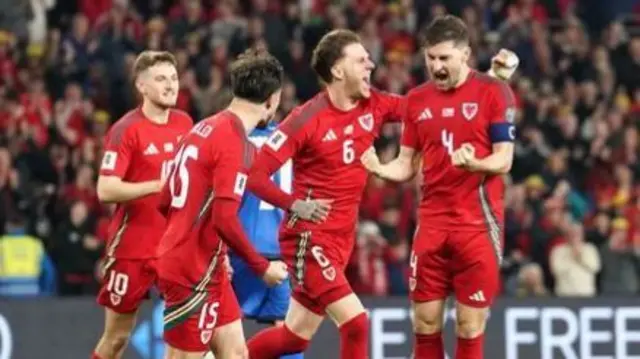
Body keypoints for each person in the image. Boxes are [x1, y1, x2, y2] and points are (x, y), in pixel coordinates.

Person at [245, 28, 517, 359]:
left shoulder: (374, 104)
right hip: (308, 240)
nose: (371, 65)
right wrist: (296, 204)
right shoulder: (306, 119)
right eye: (361, 60)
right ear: (337, 70)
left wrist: (488, 81)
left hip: (341, 240)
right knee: (357, 323)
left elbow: (429, 109)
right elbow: (256, 175)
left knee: (293, 338)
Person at [361, 15, 518, 359]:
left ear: (465, 55)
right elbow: (407, 163)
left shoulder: (495, 92)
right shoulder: (417, 99)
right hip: (431, 225)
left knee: (469, 326)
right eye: (431, 58)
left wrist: (476, 163)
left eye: (444, 58)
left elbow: (504, 159)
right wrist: (380, 169)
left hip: (477, 227)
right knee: (425, 324)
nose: (436, 66)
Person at [155, 49, 289, 359]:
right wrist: (262, 267)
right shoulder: (235, 143)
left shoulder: (203, 128)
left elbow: (165, 199)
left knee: (236, 354)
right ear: (273, 98)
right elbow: (225, 219)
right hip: (191, 271)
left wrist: (216, 249)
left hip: (207, 263)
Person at [92, 51, 193, 359]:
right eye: (161, 79)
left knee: (184, 338)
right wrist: (156, 186)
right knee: (117, 338)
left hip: (175, 247)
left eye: (174, 78)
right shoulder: (126, 130)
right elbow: (105, 189)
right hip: (133, 248)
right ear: (142, 86)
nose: (170, 86)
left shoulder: (185, 123)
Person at [231, 120, 303, 359]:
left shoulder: (230, 135)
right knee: (285, 331)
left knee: (222, 331)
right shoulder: (290, 135)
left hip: (238, 246)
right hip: (280, 248)